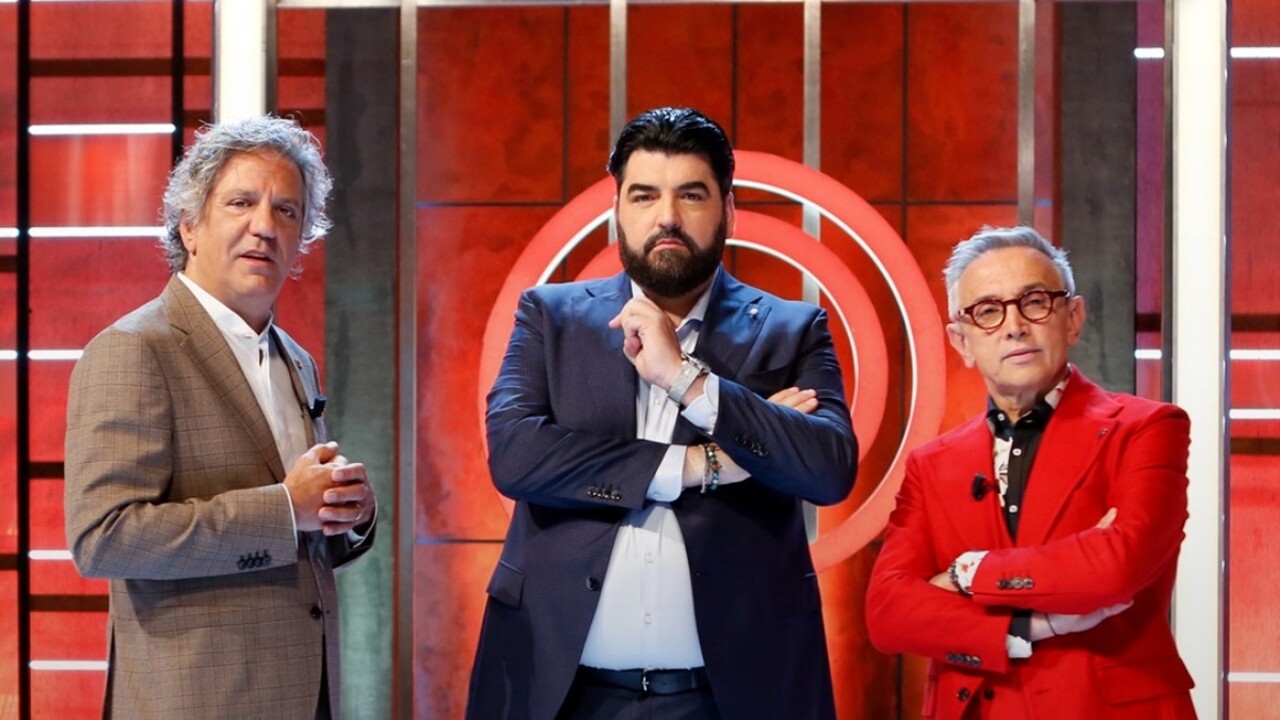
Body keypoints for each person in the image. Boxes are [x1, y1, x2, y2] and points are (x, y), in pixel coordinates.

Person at [466, 107, 858, 720]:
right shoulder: (550, 316)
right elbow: (516, 456)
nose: (667, 216)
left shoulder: (791, 328)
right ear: (617, 211)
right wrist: (702, 464)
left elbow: (828, 469)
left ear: (729, 212)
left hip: (734, 697)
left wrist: (685, 379)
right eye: (644, 195)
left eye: (691, 195)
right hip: (560, 693)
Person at [64, 115, 376, 720]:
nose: (265, 226)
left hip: (306, 696)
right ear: (189, 225)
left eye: (287, 211)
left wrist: (344, 513)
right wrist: (285, 508)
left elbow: (296, 535)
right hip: (197, 700)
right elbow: (103, 538)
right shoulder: (134, 348)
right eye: (241, 203)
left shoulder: (296, 359)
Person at [866, 225, 1196, 719]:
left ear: (1073, 318)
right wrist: (1031, 625)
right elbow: (888, 613)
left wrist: (967, 572)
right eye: (988, 311)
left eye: (1035, 302)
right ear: (962, 341)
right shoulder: (930, 465)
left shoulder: (1147, 428)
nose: (1014, 326)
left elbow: (1117, 567)